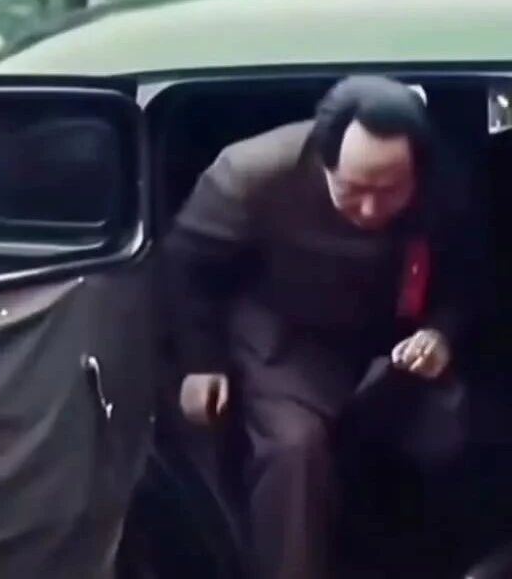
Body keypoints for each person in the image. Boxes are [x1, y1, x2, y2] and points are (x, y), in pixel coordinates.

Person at [163, 76, 475, 579]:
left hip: (393, 337)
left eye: (389, 191)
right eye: (352, 190)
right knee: (295, 450)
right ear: (324, 161)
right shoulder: (251, 175)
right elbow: (186, 266)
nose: (370, 209)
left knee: (454, 431)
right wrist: (200, 362)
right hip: (284, 333)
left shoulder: (445, 183)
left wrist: (441, 333)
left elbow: (468, 274)